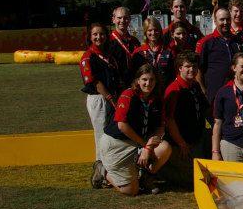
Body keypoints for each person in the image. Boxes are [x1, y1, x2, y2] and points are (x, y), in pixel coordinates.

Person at [99, 64, 173, 196]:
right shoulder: (128, 95)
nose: (148, 83)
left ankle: (145, 177)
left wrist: (148, 146)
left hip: (139, 143)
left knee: (165, 147)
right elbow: (122, 125)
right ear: (138, 81)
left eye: (152, 80)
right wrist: (145, 145)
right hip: (116, 144)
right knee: (131, 191)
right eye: (144, 79)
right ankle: (103, 172)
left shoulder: (157, 99)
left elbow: (160, 128)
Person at [81, 22, 122, 188]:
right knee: (100, 136)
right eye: (95, 35)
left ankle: (109, 170)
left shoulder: (108, 55)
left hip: (111, 98)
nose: (99, 37)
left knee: (110, 134)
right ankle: (100, 173)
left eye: (102, 34)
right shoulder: (88, 56)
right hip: (99, 99)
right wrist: (111, 99)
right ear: (90, 37)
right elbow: (95, 82)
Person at [163, 51, 210, 166]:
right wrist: (181, 143)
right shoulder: (174, 89)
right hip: (183, 143)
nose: (192, 70)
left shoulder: (195, 85)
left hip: (197, 138)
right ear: (180, 68)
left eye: (194, 66)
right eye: (187, 66)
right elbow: (170, 120)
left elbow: (204, 109)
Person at [196, 7, 233, 104]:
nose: (225, 22)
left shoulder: (236, 41)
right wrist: (203, 90)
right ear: (215, 21)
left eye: (228, 19)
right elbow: (198, 69)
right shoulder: (206, 42)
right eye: (222, 19)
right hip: (213, 93)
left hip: (234, 91)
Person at [131, 16, 175, 86]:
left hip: (164, 91)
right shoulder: (138, 52)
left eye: (156, 30)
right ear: (145, 32)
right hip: (146, 91)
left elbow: (173, 74)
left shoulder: (168, 51)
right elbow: (134, 75)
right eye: (150, 30)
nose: (153, 33)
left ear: (160, 31)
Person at [106, 6, 140, 87]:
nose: (122, 21)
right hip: (116, 86)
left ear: (130, 20)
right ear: (113, 19)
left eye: (126, 18)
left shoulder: (134, 41)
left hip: (134, 84)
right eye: (119, 18)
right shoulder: (108, 41)